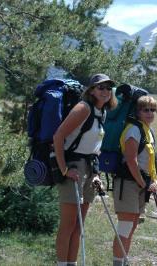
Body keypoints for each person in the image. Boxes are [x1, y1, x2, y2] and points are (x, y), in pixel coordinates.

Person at [53, 73, 117, 266]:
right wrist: (64, 169)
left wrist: (96, 174)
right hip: (73, 167)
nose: (105, 91)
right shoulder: (83, 108)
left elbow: (94, 147)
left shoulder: (102, 112)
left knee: (79, 227)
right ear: (91, 90)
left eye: (108, 88)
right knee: (68, 225)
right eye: (100, 87)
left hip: (89, 169)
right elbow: (58, 136)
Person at [112, 95, 157, 266]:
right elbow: (131, 161)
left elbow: (149, 161)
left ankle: (123, 262)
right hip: (128, 184)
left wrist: (153, 180)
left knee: (131, 228)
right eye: (145, 109)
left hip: (140, 185)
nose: (150, 113)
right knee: (124, 228)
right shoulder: (133, 130)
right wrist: (143, 183)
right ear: (138, 112)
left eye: (153, 109)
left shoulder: (148, 130)